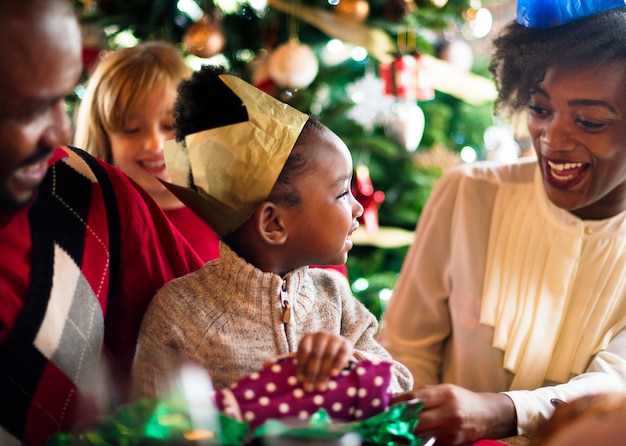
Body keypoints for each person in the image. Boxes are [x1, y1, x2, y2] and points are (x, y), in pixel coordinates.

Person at [381, 0, 626, 444]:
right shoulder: (467, 194)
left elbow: (616, 390)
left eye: (588, 121)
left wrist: (502, 412)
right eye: (539, 109)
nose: (552, 139)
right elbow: (404, 349)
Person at [131, 66, 413, 399]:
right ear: (273, 224)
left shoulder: (335, 298)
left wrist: (350, 366)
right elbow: (151, 422)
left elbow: (400, 390)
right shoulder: (179, 313)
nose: (358, 208)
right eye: (341, 193)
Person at [0, 1, 205, 444]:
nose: (58, 135)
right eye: (26, 110)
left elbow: (215, 341)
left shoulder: (97, 196)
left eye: (60, 100)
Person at [74, 41, 219, 262]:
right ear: (104, 138)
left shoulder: (224, 217)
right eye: (131, 130)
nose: (154, 144)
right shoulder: (93, 222)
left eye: (170, 125)